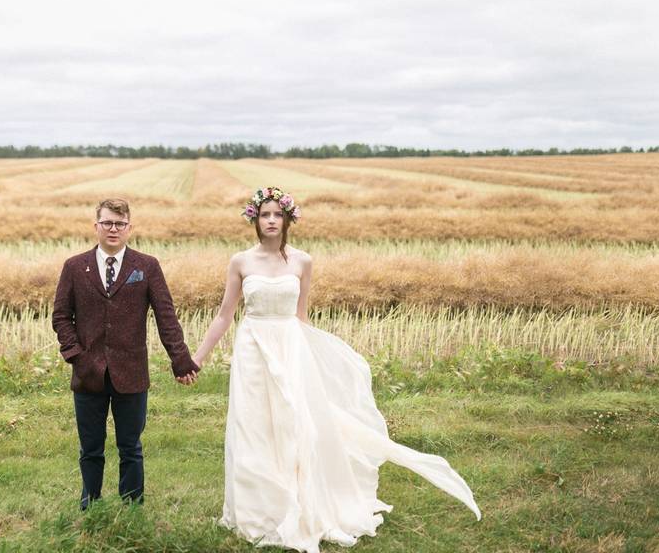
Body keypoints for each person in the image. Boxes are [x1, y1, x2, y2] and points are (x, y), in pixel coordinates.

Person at [191, 187, 480, 553]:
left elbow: (301, 316)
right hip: (252, 349)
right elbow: (224, 315)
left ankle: (303, 501)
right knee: (254, 426)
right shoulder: (240, 262)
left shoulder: (302, 262)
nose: (270, 221)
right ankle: (256, 512)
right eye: (264, 215)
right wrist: (196, 358)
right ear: (254, 219)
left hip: (291, 346)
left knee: (297, 424)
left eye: (277, 215)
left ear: (287, 220)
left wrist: (316, 361)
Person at [52, 197, 200, 510]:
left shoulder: (146, 267)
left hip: (131, 372)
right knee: (90, 448)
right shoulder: (75, 267)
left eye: (120, 224)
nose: (113, 229)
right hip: (87, 372)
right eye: (107, 222)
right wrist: (76, 355)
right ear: (96, 226)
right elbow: (61, 316)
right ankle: (90, 506)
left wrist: (180, 360)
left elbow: (166, 317)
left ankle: (132, 510)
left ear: (129, 228)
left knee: (130, 447)